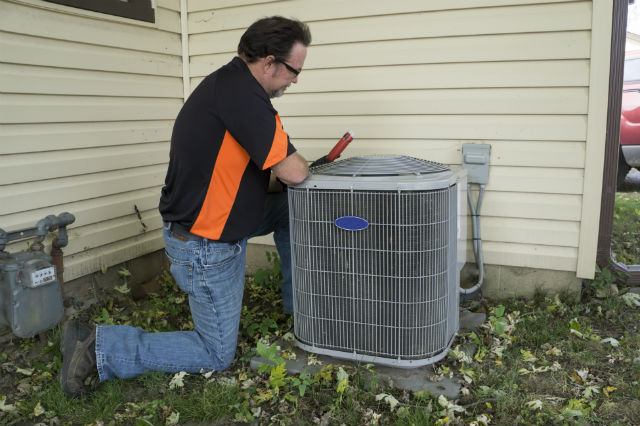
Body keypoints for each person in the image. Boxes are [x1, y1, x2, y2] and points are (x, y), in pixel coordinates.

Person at [59, 16, 311, 397]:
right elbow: (294, 172)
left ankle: (300, 311)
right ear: (270, 62)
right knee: (216, 353)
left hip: (215, 219)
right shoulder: (244, 97)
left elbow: (254, 173)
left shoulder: (229, 85)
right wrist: (305, 168)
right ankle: (100, 346)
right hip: (205, 242)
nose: (295, 81)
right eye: (294, 71)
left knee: (291, 210)